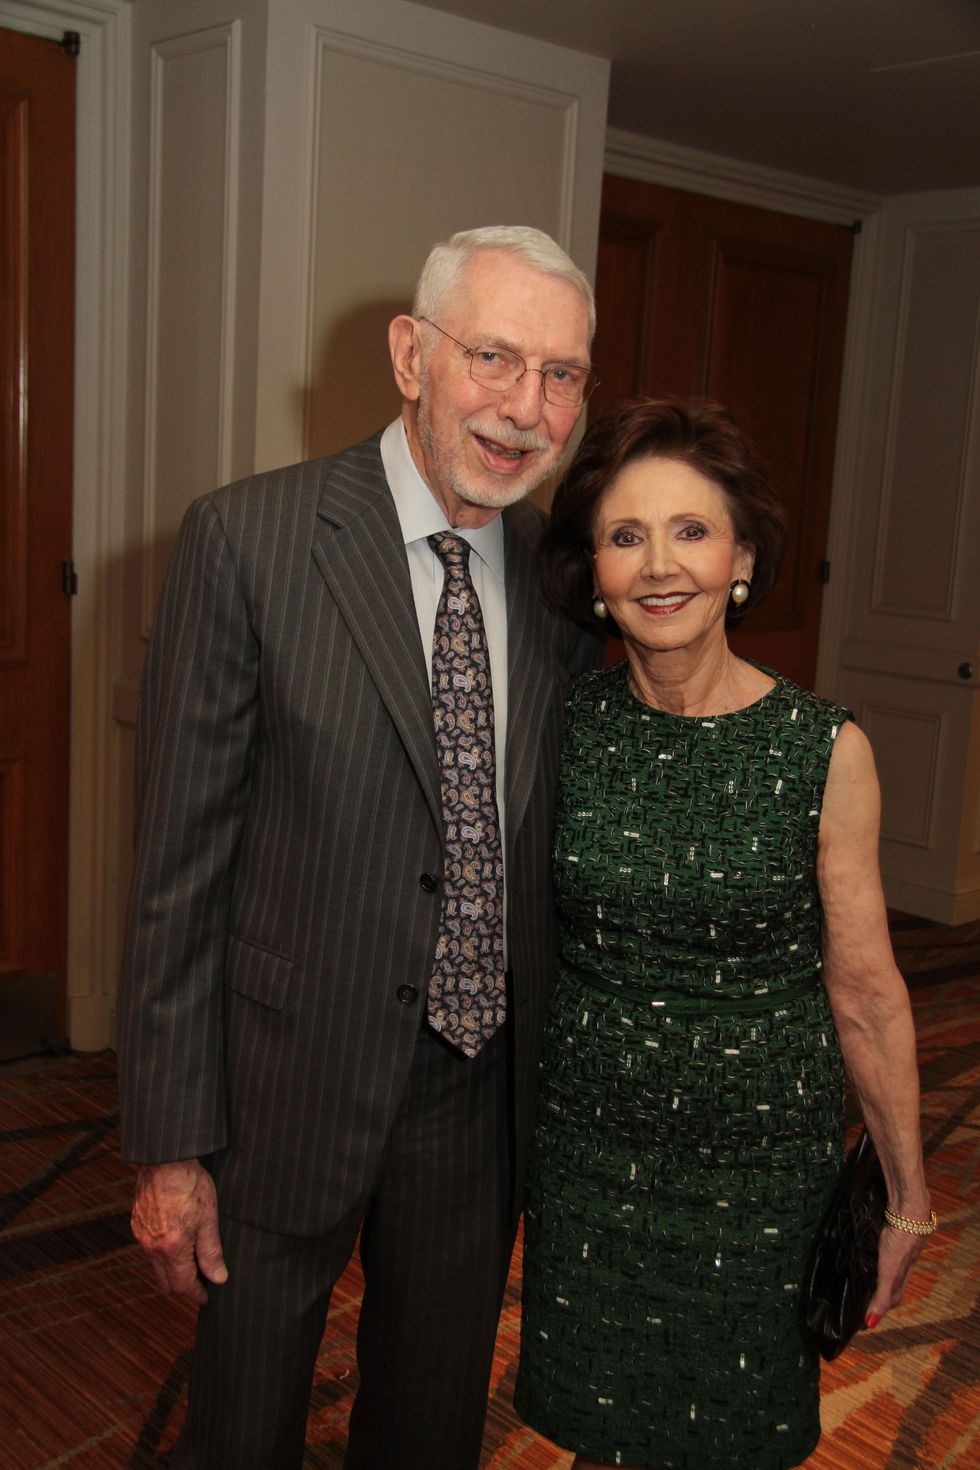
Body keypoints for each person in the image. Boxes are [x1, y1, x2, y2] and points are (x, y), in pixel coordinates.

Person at [117, 224, 603, 1470]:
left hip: (474, 1097)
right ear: (409, 354)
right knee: (240, 1429)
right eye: (494, 357)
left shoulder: (563, 581)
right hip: (279, 1089)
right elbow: (176, 871)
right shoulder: (249, 540)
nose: (525, 408)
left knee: (429, 1428)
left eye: (560, 374)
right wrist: (170, 1143)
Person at [513, 396, 934, 1470]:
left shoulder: (822, 750)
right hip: (589, 1160)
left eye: (691, 530)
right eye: (625, 535)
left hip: (758, 1176)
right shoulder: (561, 730)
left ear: (741, 558)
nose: (659, 566)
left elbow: (866, 994)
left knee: (734, 1438)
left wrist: (906, 1201)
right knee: (602, 1430)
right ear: (594, 572)